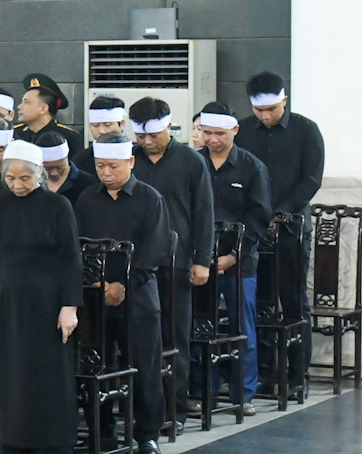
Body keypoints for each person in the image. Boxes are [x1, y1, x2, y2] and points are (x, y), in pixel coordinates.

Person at [0, 141, 81, 454]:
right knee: (10, 377)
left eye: (25, 178)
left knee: (44, 379)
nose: (18, 185)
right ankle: (10, 449)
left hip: (47, 304)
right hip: (7, 301)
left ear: (40, 175)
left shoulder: (58, 205)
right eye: (11, 178)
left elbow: (71, 261)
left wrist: (70, 308)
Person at [75, 136, 170, 454]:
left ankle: (147, 434)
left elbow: (155, 249)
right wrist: (99, 284)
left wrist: (123, 285)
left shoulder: (149, 198)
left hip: (139, 299)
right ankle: (102, 433)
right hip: (96, 300)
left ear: (130, 163)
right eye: (101, 166)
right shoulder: (87, 199)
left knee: (144, 368)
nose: (106, 173)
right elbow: (79, 246)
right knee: (95, 366)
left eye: (113, 166)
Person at [128, 96, 215, 425]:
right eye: (141, 137)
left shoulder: (191, 161)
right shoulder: (130, 158)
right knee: (139, 337)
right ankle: (141, 408)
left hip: (177, 263)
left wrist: (201, 260)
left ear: (168, 126)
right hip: (136, 265)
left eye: (153, 135)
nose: (147, 142)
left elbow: (203, 214)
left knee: (175, 335)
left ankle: (174, 408)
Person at [239, 71, 324, 400]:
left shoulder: (306, 130)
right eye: (260, 111)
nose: (266, 116)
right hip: (255, 229)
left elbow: (311, 179)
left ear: (284, 101)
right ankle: (262, 372)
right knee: (257, 302)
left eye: (272, 109)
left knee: (293, 302)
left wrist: (281, 212)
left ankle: (296, 373)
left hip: (291, 227)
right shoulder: (243, 131)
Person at [197, 102, 273, 404]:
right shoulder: (194, 162)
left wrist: (233, 256)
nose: (213, 140)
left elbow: (259, 218)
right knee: (203, 328)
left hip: (240, 263)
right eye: (207, 133)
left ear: (235, 131)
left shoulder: (252, 167)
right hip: (201, 260)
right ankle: (205, 392)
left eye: (220, 133)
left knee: (243, 328)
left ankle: (244, 394)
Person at [13, 72, 80, 155]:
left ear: (43, 108)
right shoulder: (15, 134)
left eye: (26, 102)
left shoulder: (70, 138)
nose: (19, 106)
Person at [71, 94, 133, 173]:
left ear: (122, 124)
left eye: (107, 125)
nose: (101, 131)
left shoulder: (135, 154)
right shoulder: (81, 159)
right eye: (95, 125)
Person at [38, 136, 92, 202]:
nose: (54, 173)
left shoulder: (87, 182)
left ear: (67, 159)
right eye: (47, 168)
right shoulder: (33, 183)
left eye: (59, 167)